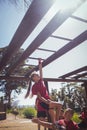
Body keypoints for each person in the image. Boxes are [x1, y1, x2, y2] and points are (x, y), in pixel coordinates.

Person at [25, 58, 62, 123]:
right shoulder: (34, 86)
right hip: (42, 102)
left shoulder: (41, 81)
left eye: (38, 75)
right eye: (36, 75)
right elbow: (39, 97)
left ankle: (56, 122)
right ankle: (56, 122)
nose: (38, 75)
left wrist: (39, 62)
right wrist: (46, 101)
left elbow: (41, 71)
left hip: (47, 100)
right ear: (33, 78)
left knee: (55, 108)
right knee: (59, 105)